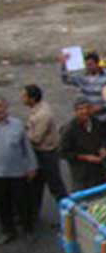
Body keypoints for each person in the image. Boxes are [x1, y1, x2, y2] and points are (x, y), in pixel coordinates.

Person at [60, 51, 106, 174]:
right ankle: (103, 171)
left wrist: (102, 107)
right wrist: (63, 65)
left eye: (91, 64)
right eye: (87, 65)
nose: (89, 67)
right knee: (97, 146)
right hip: (95, 121)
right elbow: (66, 79)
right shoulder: (83, 78)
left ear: (97, 64)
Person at [22, 85, 68, 221]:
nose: (22, 99)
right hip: (40, 153)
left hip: (46, 154)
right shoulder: (37, 109)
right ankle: (33, 214)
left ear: (32, 98)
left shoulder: (42, 115)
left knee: (55, 185)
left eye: (25, 96)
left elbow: (36, 138)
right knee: (35, 185)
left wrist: (21, 134)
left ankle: (68, 214)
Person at [0, 96, 38, 244]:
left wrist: (32, 166)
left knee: (22, 202)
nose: (0, 110)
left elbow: (27, 148)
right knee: (3, 205)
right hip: (0, 176)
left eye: (1, 107)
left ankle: (28, 229)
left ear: (6, 107)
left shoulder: (17, 125)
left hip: (18, 172)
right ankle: (8, 231)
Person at [60, 98, 106, 192]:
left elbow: (102, 138)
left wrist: (102, 148)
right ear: (75, 112)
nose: (84, 111)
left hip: (99, 169)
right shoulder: (69, 130)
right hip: (82, 174)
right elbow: (63, 153)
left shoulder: (96, 123)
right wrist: (85, 157)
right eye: (80, 109)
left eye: (87, 108)